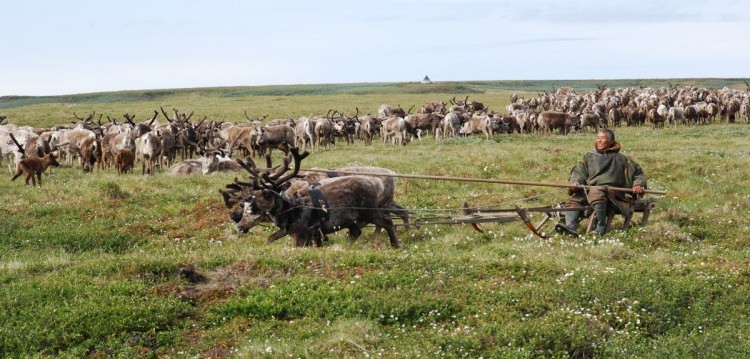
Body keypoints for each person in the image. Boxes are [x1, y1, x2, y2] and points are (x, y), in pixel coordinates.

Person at [555, 128, 647, 236]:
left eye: (603, 138)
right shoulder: (588, 157)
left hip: (613, 195)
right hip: (590, 192)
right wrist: (575, 182)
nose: (599, 140)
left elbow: (637, 174)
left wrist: (638, 184)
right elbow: (578, 172)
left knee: (597, 191)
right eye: (598, 138)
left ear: (611, 141)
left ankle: (601, 225)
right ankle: (570, 227)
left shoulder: (622, 159)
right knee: (575, 200)